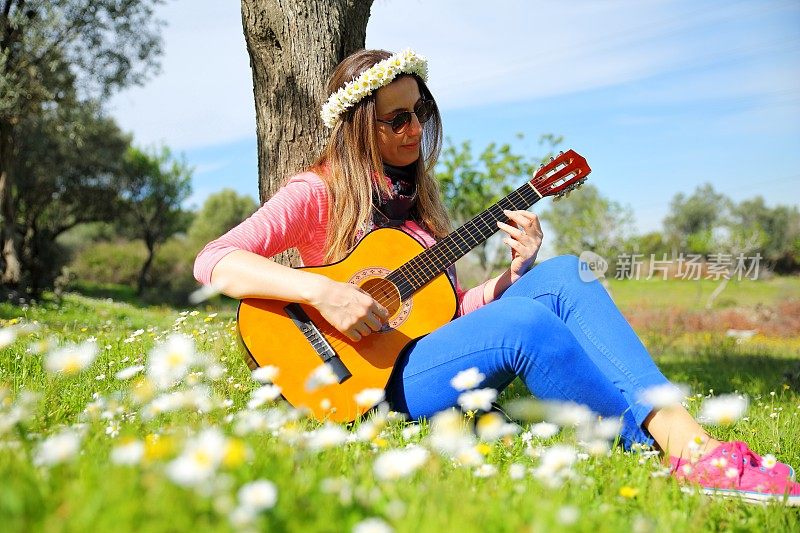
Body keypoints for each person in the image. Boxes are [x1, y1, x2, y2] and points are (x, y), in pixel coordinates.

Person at [194, 49, 799, 504]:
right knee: (526, 326)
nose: (413, 130)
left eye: (420, 113)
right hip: (367, 383)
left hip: (420, 353)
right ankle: (663, 451)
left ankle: (690, 446)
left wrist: (514, 275)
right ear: (358, 127)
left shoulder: (419, 214)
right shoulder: (314, 192)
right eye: (395, 118)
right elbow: (214, 260)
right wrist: (320, 289)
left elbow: (449, 312)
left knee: (565, 275)